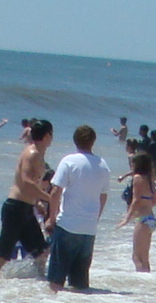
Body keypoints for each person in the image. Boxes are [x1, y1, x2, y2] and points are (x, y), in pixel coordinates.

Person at [44, 125, 112, 293]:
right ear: (93, 141)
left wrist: (51, 219)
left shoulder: (69, 161)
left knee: (55, 282)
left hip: (67, 225)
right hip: (89, 229)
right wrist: (94, 218)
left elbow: (55, 192)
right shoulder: (103, 165)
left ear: (75, 141)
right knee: (80, 284)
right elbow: (103, 196)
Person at [0, 119, 55, 278]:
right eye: (51, 135)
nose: (52, 138)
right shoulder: (32, 153)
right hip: (15, 208)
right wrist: (50, 198)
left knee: (42, 252)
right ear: (47, 136)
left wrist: (36, 202)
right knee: (2, 256)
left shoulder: (39, 154)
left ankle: (39, 282)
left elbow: (31, 184)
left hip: (26, 208)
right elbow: (27, 182)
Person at [124, 150, 156, 272]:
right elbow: (155, 201)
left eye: (133, 163)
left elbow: (135, 200)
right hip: (151, 219)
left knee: (136, 257)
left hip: (142, 220)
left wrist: (126, 218)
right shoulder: (149, 179)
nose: (131, 166)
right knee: (144, 258)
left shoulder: (137, 178)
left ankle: (141, 281)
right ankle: (147, 279)